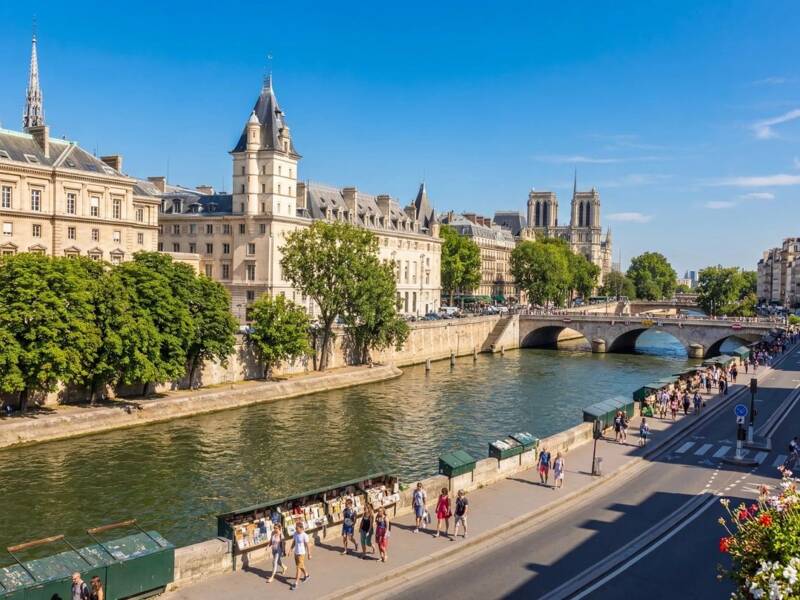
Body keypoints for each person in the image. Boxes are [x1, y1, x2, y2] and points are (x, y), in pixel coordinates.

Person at [290, 522, 311, 591]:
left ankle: (296, 583)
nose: (296, 529)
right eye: (295, 528)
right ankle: (307, 575)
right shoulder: (295, 533)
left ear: (301, 528)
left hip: (301, 553)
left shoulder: (304, 535)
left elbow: (308, 545)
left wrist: (309, 554)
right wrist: (290, 549)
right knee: (301, 566)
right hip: (296, 553)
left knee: (298, 568)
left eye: (297, 528)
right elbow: (294, 542)